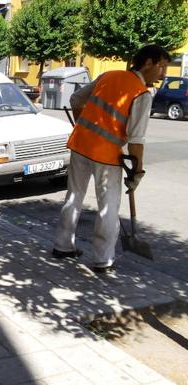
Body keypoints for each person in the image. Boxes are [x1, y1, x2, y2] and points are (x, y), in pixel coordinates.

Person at [52, 44, 170, 273]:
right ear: (148, 63)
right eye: (162, 67)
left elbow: (76, 99)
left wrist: (85, 128)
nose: (163, 74)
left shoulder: (108, 75)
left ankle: (62, 246)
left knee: (74, 196)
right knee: (108, 207)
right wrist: (137, 172)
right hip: (106, 156)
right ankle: (102, 259)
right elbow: (136, 139)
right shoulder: (141, 94)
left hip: (80, 144)